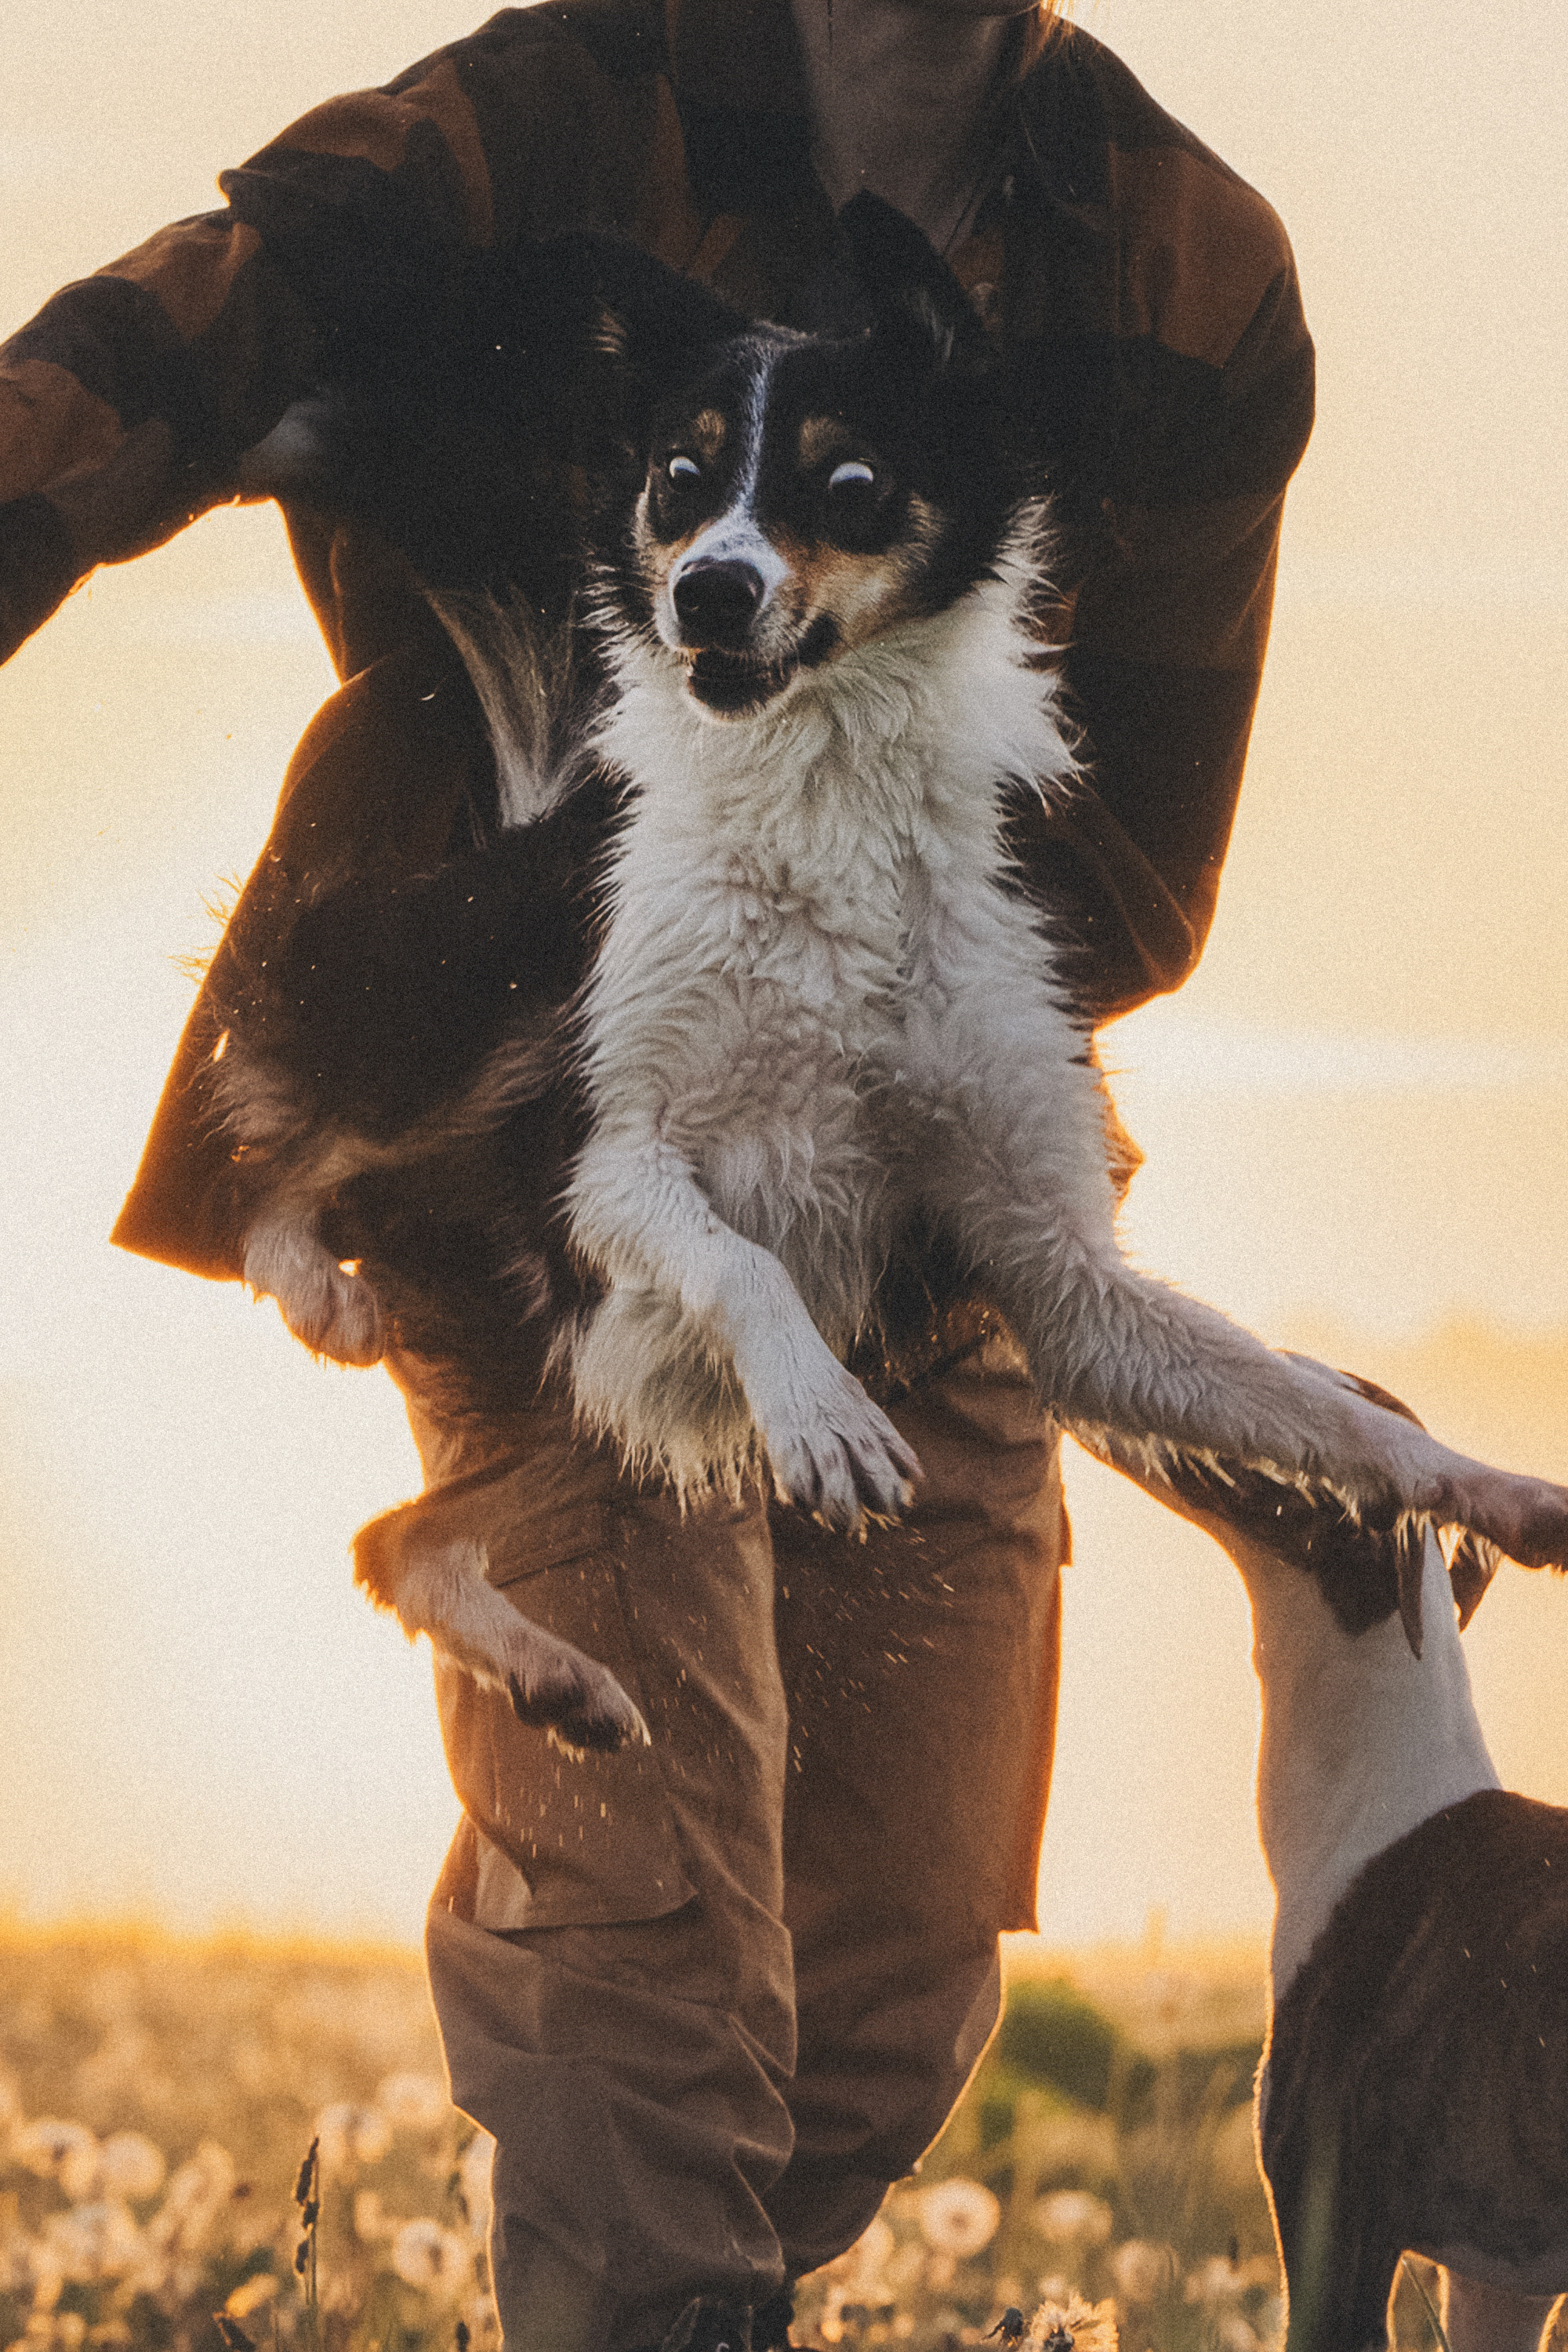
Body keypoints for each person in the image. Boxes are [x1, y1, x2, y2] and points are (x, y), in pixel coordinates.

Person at [0, 5, 1315, 2348]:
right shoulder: (554, 109)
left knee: (890, 1971)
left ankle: (636, 2232)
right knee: (660, 1963)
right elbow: (196, 327)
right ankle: (625, 2163)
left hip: (908, 1156)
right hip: (517, 1104)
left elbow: (1143, 864)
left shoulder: (1187, 261)